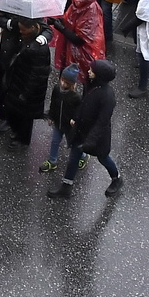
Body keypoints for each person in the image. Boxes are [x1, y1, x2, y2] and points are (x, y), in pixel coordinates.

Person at [51, 59, 122, 198]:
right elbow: (83, 104)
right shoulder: (90, 85)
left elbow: (102, 122)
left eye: (92, 70)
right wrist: (76, 117)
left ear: (99, 75)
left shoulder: (107, 96)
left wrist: (90, 141)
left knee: (103, 158)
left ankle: (117, 179)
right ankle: (66, 186)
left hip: (97, 136)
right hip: (82, 130)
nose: (88, 71)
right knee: (74, 157)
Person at [0, 20, 51, 146]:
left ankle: (22, 139)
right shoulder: (28, 40)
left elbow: (37, 75)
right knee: (16, 112)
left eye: (23, 30)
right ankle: (18, 133)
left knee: (25, 117)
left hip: (27, 89)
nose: (20, 32)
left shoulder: (39, 49)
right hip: (19, 81)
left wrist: (26, 93)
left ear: (32, 28)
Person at [40, 63, 82, 173]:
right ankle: (52, 161)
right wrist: (51, 116)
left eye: (66, 82)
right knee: (55, 141)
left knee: (72, 143)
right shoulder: (56, 89)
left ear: (71, 84)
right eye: (62, 80)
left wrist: (75, 119)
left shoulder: (75, 97)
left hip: (69, 126)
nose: (62, 83)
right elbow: (53, 104)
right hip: (58, 123)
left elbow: (79, 111)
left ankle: (83, 156)